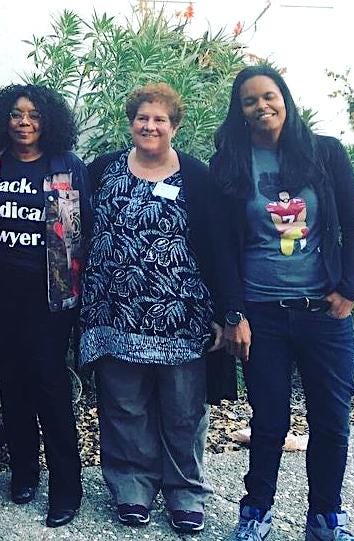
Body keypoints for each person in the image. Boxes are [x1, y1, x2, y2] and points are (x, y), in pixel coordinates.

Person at [212, 66, 354, 541]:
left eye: (269, 96)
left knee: (332, 421)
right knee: (270, 420)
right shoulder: (231, 164)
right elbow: (221, 248)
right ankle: (255, 512)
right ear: (240, 112)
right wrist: (233, 314)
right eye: (250, 101)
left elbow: (353, 227)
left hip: (323, 312)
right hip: (263, 314)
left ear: (285, 98)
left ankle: (325, 519)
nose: (261, 106)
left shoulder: (325, 154)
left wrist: (349, 289)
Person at [80, 83, 227, 534]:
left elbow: (220, 246)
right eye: (143, 118)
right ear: (131, 123)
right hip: (114, 312)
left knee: (184, 410)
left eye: (160, 119)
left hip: (182, 316)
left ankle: (185, 491)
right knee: (125, 407)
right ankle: (132, 488)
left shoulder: (198, 177)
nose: (150, 126)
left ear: (174, 126)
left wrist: (227, 311)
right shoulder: (103, 170)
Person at [0, 84, 88, 527]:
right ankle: (23, 472)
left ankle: (67, 487)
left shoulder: (66, 166)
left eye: (34, 115)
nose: (24, 122)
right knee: (12, 384)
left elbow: (84, 232)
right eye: (17, 114)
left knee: (49, 385)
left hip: (51, 297)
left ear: (48, 121)